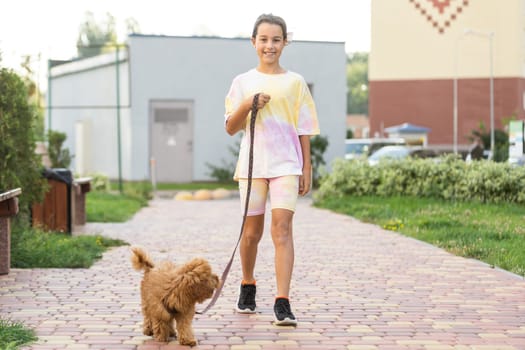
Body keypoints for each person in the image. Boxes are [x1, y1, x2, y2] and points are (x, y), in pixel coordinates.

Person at [224, 13, 320, 326]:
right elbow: (230, 127)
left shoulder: (295, 82)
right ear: (253, 43)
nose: (270, 45)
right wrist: (247, 104)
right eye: (263, 39)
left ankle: (283, 300)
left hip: (286, 166)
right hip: (253, 168)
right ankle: (248, 284)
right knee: (251, 233)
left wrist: (306, 167)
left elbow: (304, 128)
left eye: (276, 39)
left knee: (282, 231)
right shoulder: (242, 82)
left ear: (285, 42)